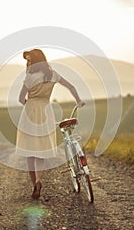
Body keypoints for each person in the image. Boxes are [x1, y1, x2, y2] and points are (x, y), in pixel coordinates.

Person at [15, 49, 85, 199]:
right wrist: (78, 101)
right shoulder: (52, 74)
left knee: (30, 153)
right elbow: (71, 87)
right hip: (46, 111)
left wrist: (29, 103)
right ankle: (39, 180)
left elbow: (21, 98)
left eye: (29, 60)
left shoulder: (29, 77)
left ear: (33, 61)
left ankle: (35, 184)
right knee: (41, 152)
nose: (28, 63)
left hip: (29, 112)